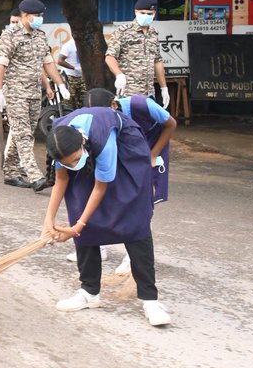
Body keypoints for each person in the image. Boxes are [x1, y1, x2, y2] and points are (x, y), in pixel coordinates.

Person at [43, 120, 172, 327]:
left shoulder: (104, 140)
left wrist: (78, 227)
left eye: (76, 159)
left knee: (133, 222)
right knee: (79, 209)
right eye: (69, 163)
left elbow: (100, 188)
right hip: (92, 155)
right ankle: (89, 292)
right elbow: (61, 180)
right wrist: (48, 220)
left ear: (82, 145)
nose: (74, 165)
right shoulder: (59, 145)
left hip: (128, 160)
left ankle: (151, 301)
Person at [86, 87, 177, 274]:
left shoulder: (142, 105)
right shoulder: (103, 118)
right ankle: (100, 245)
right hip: (124, 149)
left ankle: (132, 256)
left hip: (150, 147)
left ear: (114, 104)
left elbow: (171, 124)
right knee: (108, 193)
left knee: (141, 201)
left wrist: (152, 154)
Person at [0, 0, 70, 191]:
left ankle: (10, 172)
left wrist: (60, 84)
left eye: (42, 16)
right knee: (24, 134)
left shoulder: (40, 36)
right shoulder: (10, 35)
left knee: (21, 132)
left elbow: (48, 63)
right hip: (16, 93)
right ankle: (35, 176)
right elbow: (0, 64)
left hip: (35, 92)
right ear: (25, 16)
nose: (40, 19)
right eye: (37, 16)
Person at [106, 0, 170, 107]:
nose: (146, 16)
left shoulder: (153, 34)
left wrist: (164, 88)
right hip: (128, 93)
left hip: (149, 93)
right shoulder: (123, 31)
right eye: (142, 13)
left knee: (148, 123)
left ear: (154, 14)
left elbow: (157, 61)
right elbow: (109, 57)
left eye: (149, 14)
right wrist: (119, 75)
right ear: (136, 12)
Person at [57, 36, 85, 107]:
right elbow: (60, 61)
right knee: (69, 99)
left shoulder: (85, 44)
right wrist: (74, 68)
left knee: (83, 99)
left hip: (83, 76)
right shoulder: (68, 45)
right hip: (70, 76)